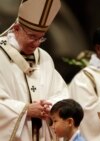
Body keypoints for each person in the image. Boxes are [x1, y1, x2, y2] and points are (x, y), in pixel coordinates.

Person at [0, 0, 69, 141]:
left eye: (41, 37)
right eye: (32, 36)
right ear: (16, 28)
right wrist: (24, 110)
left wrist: (51, 107)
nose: (37, 43)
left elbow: (61, 93)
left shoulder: (44, 58)